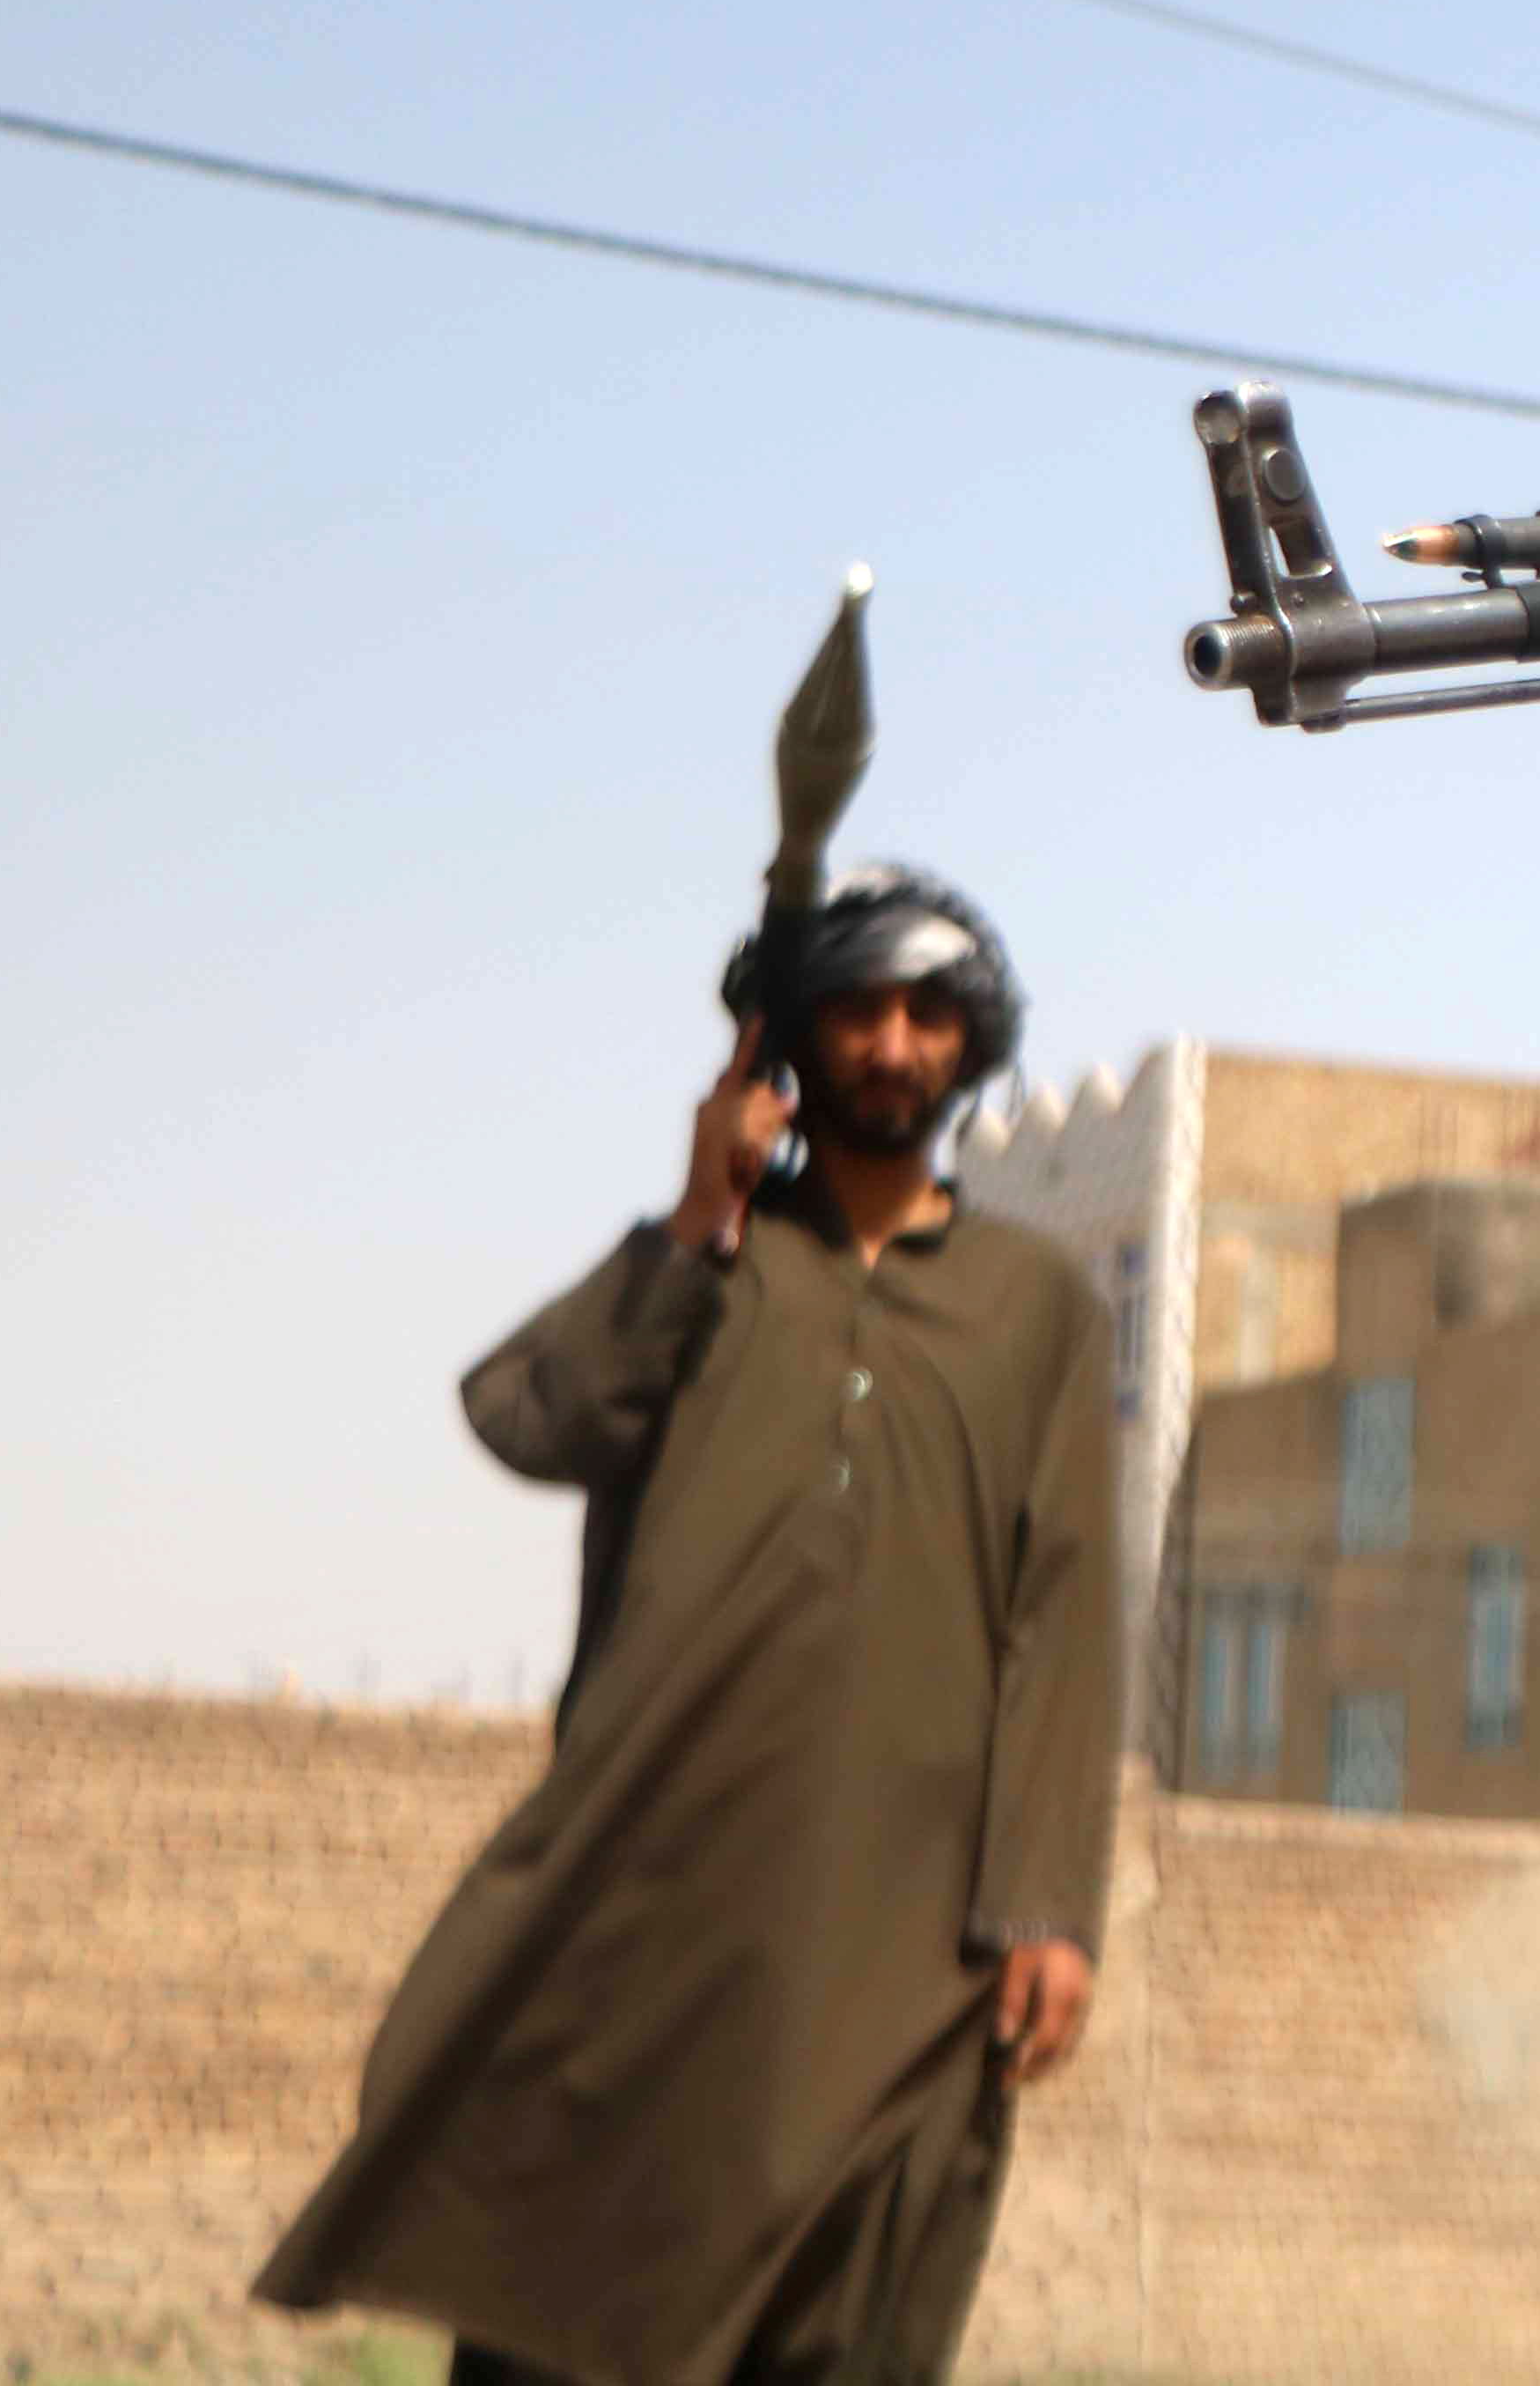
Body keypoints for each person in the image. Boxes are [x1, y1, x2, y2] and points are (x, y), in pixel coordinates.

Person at [258, 865, 1117, 2386]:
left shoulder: (1036, 1305)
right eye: (856, 1010)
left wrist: (1046, 1901)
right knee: (572, 2279)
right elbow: (535, 1417)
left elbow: (1064, 1610)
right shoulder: (712, 1268)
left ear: (970, 1048)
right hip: (654, 1888)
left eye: (928, 1014)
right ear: (791, 1046)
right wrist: (699, 1212)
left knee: (857, 2297)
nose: (893, 1043)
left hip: (904, 1931)